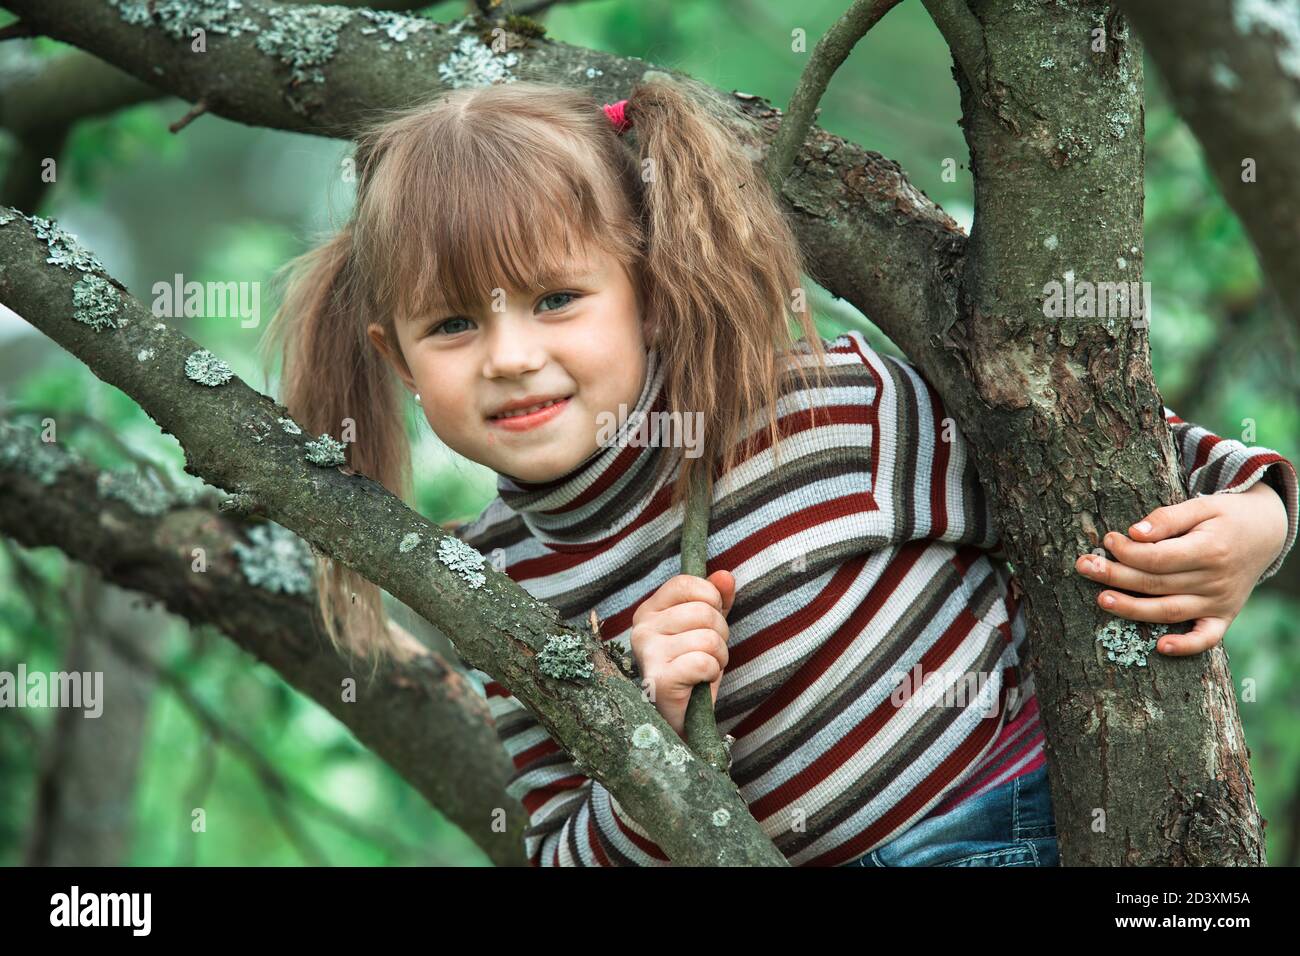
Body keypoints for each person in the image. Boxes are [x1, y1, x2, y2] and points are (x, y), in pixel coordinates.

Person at [263, 78, 1298, 867]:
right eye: (451, 324)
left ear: (651, 294)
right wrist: (641, 739)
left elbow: (1095, 453)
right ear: (396, 359)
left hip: (1014, 824)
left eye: (554, 299)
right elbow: (567, 852)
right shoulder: (491, 580)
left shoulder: (814, 412)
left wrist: (1254, 516)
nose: (509, 356)